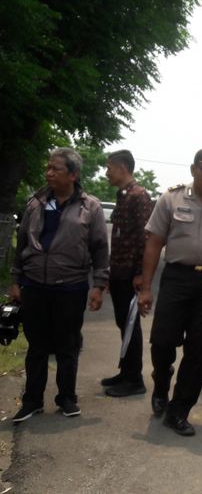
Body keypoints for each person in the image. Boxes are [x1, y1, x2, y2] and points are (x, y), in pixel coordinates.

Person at [138, 148, 202, 436]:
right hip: (177, 278)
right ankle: (161, 382)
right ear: (194, 170)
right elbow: (154, 243)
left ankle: (179, 409)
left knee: (198, 348)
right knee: (163, 340)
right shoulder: (171, 198)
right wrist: (145, 287)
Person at [10, 147, 109, 422]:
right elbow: (22, 243)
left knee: (67, 346)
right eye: (48, 167)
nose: (49, 173)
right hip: (34, 285)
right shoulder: (36, 202)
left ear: (73, 175)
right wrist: (16, 279)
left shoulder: (91, 207)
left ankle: (66, 397)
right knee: (37, 346)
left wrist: (99, 285)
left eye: (56, 169)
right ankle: (32, 401)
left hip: (71, 286)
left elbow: (100, 248)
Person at [101, 149, 153, 397]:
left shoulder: (138, 195)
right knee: (124, 323)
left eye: (110, 167)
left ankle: (134, 379)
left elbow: (145, 238)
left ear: (122, 168)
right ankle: (125, 371)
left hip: (131, 273)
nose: (107, 172)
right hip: (119, 271)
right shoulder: (122, 195)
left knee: (131, 325)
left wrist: (141, 274)